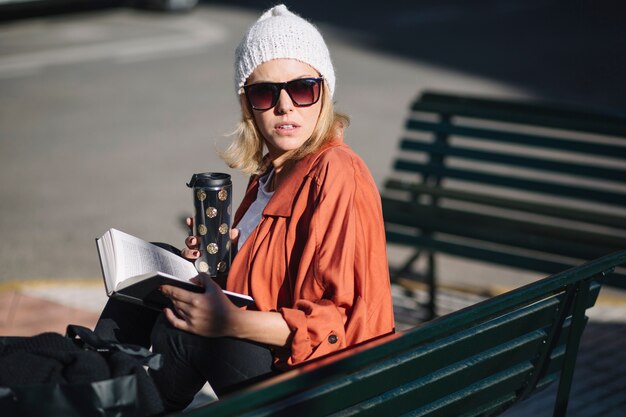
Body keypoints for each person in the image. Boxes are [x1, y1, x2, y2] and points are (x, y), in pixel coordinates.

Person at [95, 4, 394, 412]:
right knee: (148, 275)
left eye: (303, 88)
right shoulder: (268, 176)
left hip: (330, 389)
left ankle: (105, 399)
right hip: (283, 366)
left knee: (187, 331)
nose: (285, 105)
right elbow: (264, 286)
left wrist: (228, 322)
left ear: (324, 93)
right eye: (265, 92)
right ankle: (90, 383)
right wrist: (216, 266)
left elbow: (337, 325)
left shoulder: (337, 172)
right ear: (247, 105)